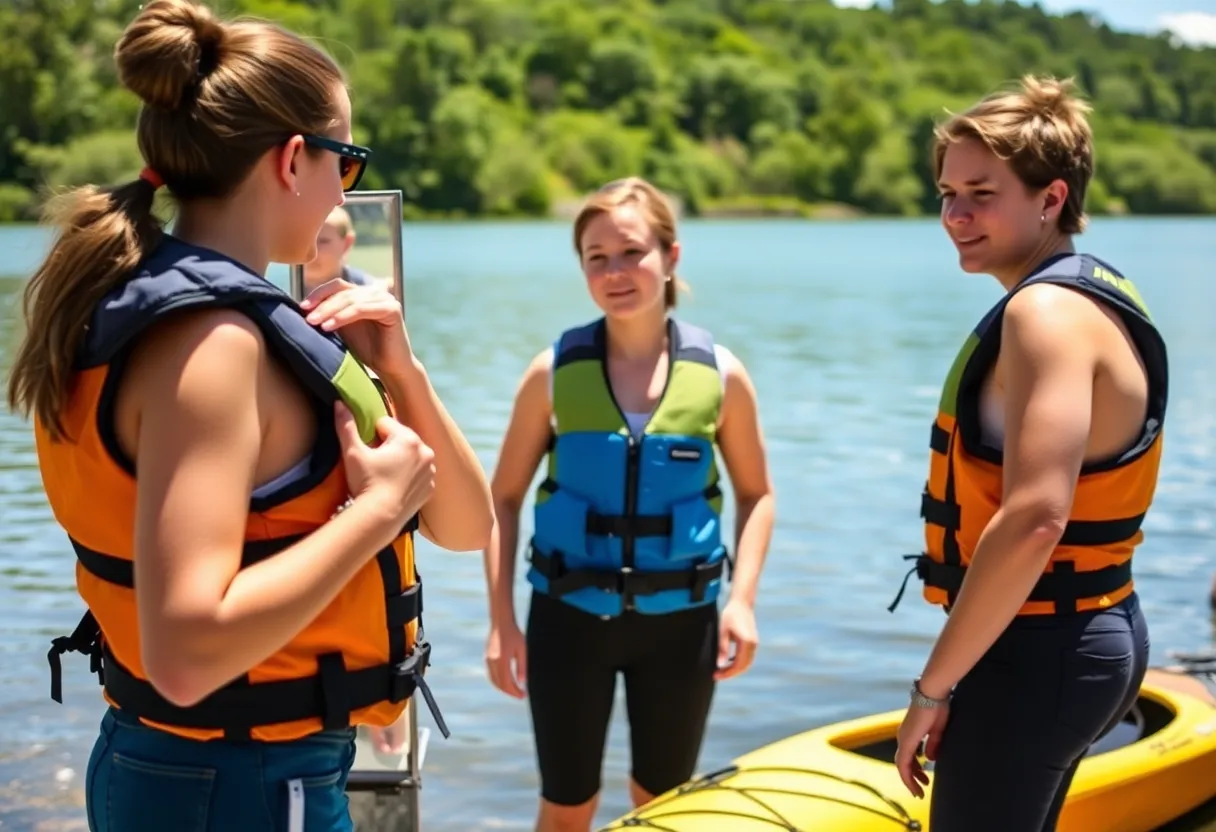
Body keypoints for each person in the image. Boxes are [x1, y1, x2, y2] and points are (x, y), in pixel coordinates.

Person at [4, 1, 493, 830]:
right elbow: (187, 655)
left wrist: (401, 373)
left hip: (215, 770)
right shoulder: (214, 344)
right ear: (294, 160)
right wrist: (376, 510)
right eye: (348, 162)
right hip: (233, 781)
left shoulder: (191, 313)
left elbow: (467, 525)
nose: (346, 192)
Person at [889, 75, 1168, 831]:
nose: (955, 215)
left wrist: (931, 689)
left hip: (1043, 651)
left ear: (1051, 198)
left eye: (981, 194)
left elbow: (1036, 519)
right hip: (1091, 629)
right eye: (948, 194)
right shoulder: (1094, 292)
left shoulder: (1045, 312)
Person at [481, 176, 776, 832]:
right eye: (597, 258)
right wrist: (501, 622)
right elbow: (502, 498)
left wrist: (743, 602)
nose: (615, 272)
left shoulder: (722, 375)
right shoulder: (551, 373)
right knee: (567, 809)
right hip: (567, 619)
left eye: (632, 252)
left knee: (663, 806)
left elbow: (757, 494)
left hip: (682, 626)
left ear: (671, 256)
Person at [303, 205, 392, 294]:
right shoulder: (292, 292)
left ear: (347, 243)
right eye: (302, 241)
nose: (310, 251)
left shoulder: (368, 290)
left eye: (323, 241)